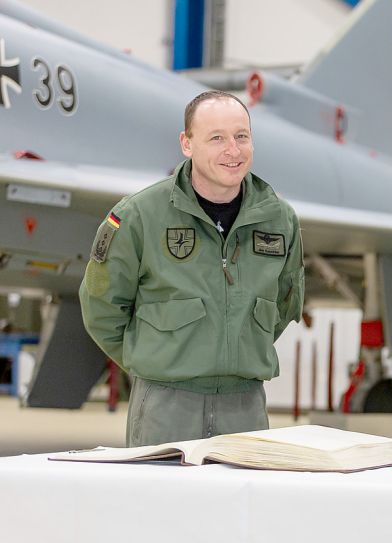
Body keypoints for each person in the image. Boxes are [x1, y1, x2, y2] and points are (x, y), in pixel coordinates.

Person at [79, 91, 304, 447]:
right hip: (164, 406)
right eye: (217, 138)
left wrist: (235, 349)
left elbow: (286, 304)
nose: (233, 150)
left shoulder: (280, 220)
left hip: (245, 407)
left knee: (243, 503)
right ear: (187, 144)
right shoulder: (139, 215)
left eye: (241, 136)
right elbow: (101, 306)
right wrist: (155, 360)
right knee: (161, 502)